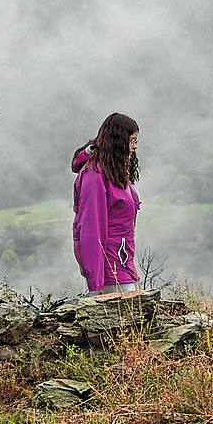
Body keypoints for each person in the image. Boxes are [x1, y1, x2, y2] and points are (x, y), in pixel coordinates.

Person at [71, 112, 141, 296]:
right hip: (111, 272)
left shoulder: (114, 172)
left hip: (122, 263)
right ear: (118, 141)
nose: (134, 147)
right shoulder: (95, 176)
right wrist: (96, 284)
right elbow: (90, 230)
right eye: (131, 141)